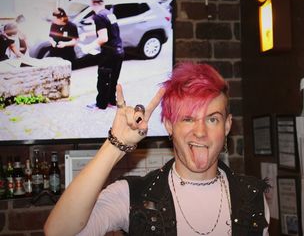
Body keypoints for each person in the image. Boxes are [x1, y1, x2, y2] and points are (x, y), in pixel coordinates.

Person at [44, 62, 270, 236]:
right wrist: (115, 144)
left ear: (227, 126)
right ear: (169, 126)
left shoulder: (252, 197)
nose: (200, 132)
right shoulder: (134, 196)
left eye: (212, 119)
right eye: (188, 119)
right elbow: (57, 231)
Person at [82, 0, 124, 110]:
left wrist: (89, 47)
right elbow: (108, 31)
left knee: (103, 79)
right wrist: (87, 34)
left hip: (109, 53)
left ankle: (100, 105)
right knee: (113, 79)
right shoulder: (109, 13)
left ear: (92, 3)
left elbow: (103, 38)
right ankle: (111, 102)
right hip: (119, 51)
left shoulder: (98, 17)